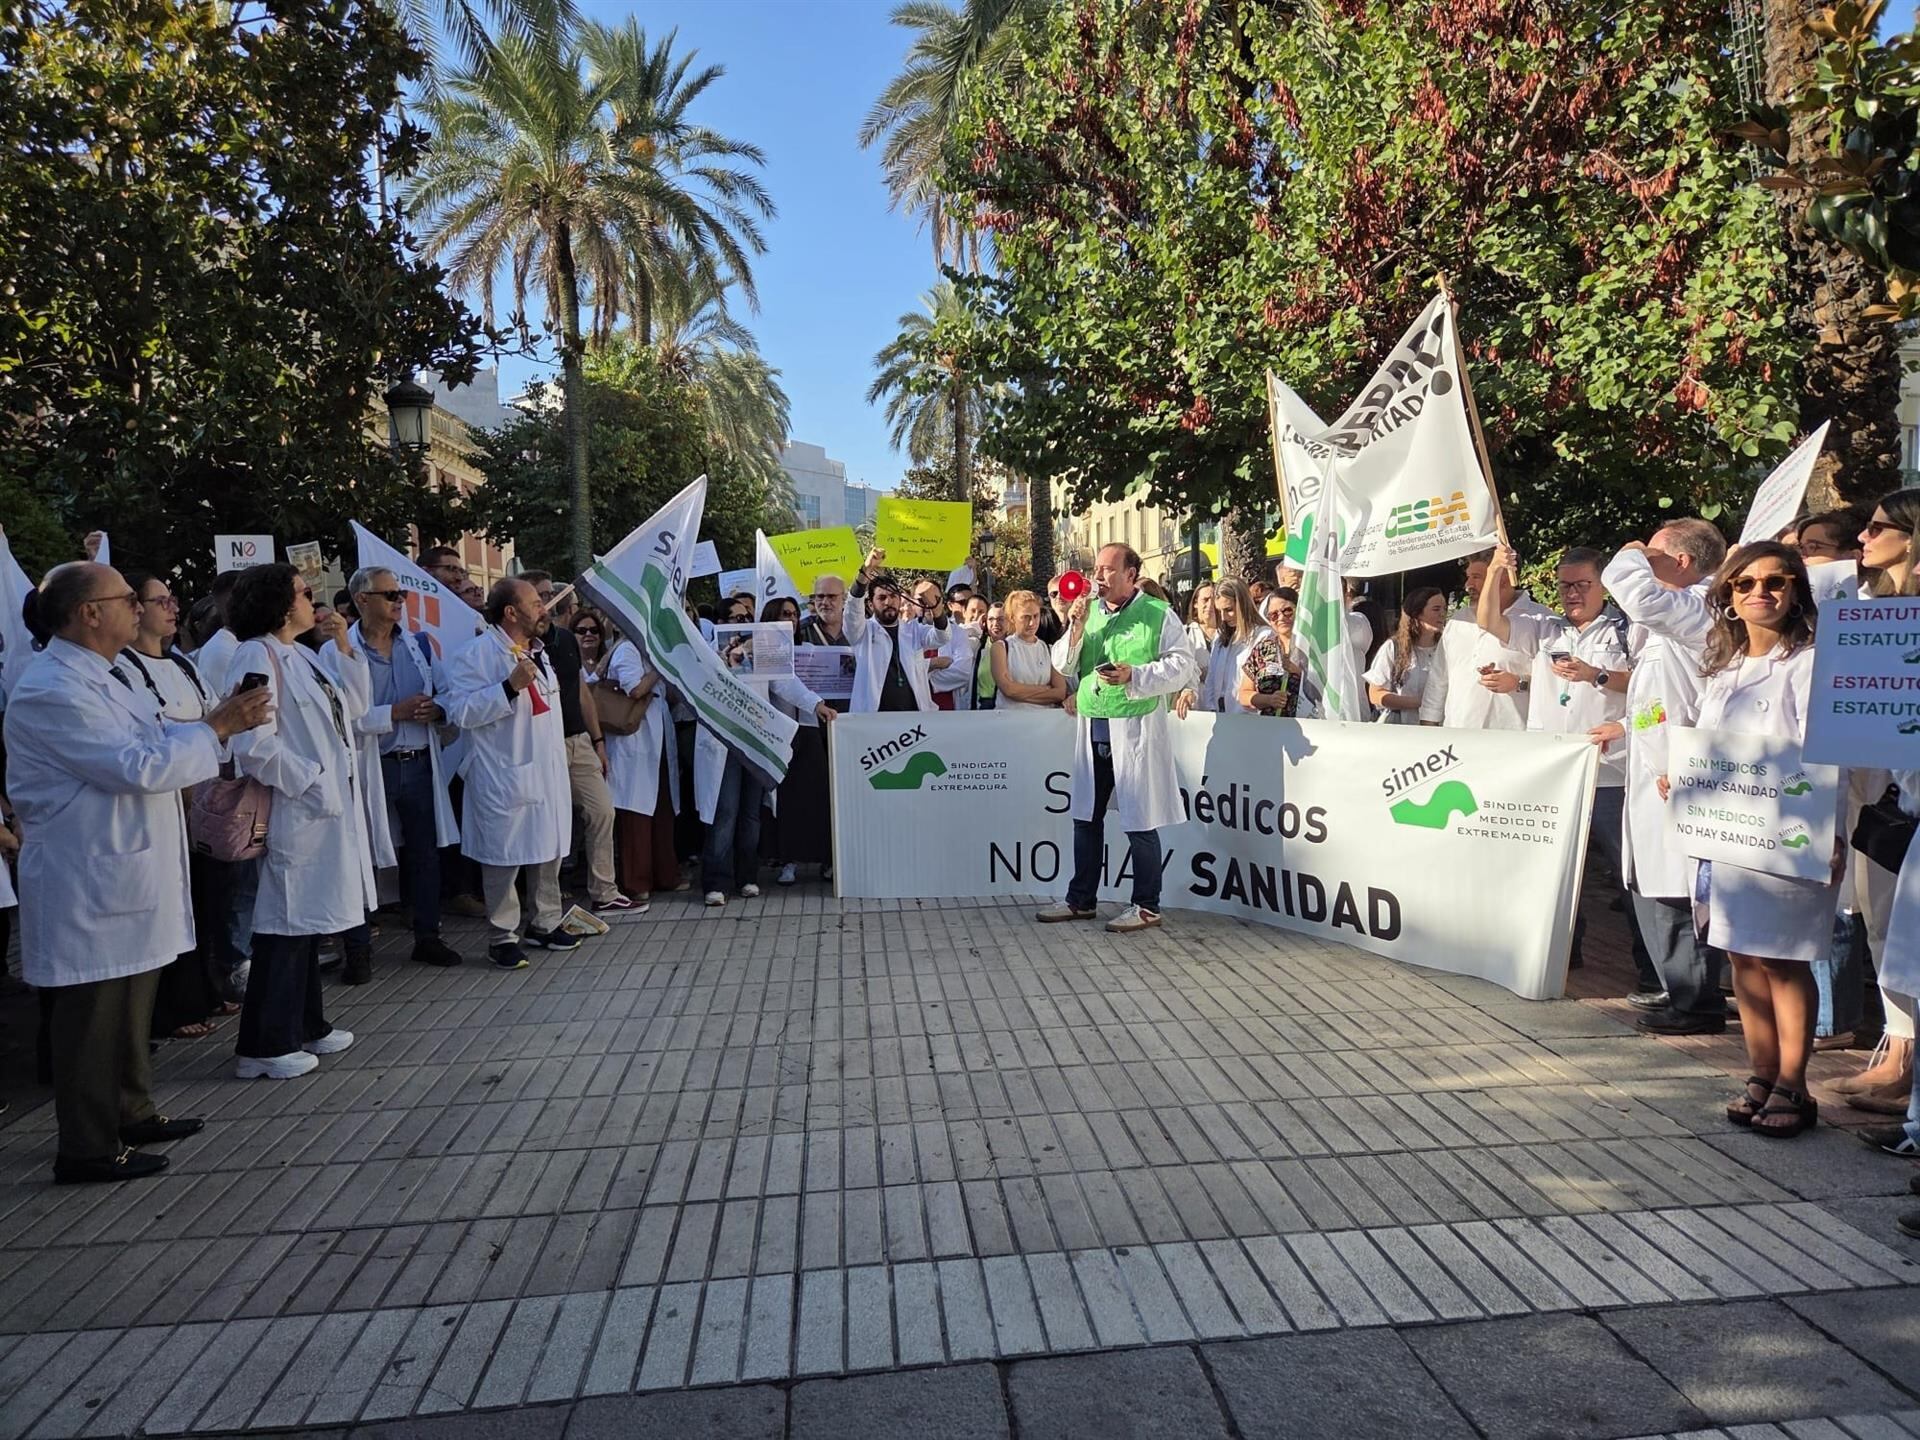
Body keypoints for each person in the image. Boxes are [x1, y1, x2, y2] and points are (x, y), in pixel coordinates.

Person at [8, 562, 270, 1180]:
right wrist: (216, 726)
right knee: (93, 1014)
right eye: (125, 598)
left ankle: (132, 1109)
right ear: (88, 613)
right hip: (87, 874)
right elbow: (135, 765)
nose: (138, 606)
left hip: (130, 866)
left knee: (131, 1002)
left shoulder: (111, 674)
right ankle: (86, 1146)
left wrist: (212, 724)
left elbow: (158, 738)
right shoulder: (52, 688)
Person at [1679, 542, 1839, 1137]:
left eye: (1775, 582)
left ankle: (1795, 1086)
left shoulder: (1813, 662)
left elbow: (1829, 756)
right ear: (1727, 596)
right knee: (1742, 953)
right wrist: (1687, 774)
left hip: (1791, 831)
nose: (1759, 594)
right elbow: (1713, 746)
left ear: (1796, 591)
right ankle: (1762, 1072)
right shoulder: (1723, 667)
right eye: (1744, 584)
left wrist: (1834, 832)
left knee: (1783, 958)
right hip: (1727, 831)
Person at [228, 564, 373, 1079]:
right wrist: (312, 780)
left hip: (323, 812)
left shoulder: (305, 655)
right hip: (297, 809)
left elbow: (354, 708)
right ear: (279, 602)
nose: (315, 599)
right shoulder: (256, 654)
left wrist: (346, 649)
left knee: (309, 921)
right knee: (284, 924)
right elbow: (252, 742)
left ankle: (307, 1023)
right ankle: (263, 1044)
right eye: (304, 592)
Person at [1480, 543, 1645, 981]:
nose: (1572, 594)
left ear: (1603, 585)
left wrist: (1596, 675)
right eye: (1564, 586)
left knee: (1628, 873)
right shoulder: (1546, 629)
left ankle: (1652, 969)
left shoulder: (1628, 629)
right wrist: (1497, 569)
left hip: (1611, 771)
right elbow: (1487, 620)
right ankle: (1561, 953)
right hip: (1556, 772)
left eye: (1582, 585)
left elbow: (1650, 687)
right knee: (1552, 871)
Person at [1600, 519, 1731, 1036]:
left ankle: (1697, 1002)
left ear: (1681, 561)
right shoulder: (1670, 617)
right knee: (1653, 886)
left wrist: (1627, 551)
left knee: (1679, 889)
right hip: (1656, 768)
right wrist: (1628, 725)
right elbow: (1662, 697)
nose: (1641, 559)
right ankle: (1678, 989)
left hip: (1682, 771)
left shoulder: (1700, 605)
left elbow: (1637, 594)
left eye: (1652, 553)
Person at [1038, 543, 1198, 933]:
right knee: (1085, 817)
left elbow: (1183, 665)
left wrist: (1136, 675)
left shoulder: (1158, 614)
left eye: (1109, 570)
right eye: (1097, 569)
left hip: (1135, 728)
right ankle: (1081, 900)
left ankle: (1147, 905)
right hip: (1094, 724)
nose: (1099, 576)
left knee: (1138, 819)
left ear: (1131, 573)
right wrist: (1075, 625)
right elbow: (1061, 663)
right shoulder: (1088, 611)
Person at [443, 578, 577, 969]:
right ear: (511, 612)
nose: (544, 609)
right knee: (503, 857)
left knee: (549, 845)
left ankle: (545, 922)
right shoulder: (474, 655)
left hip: (546, 769)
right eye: (536, 603)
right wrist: (507, 687)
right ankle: (502, 936)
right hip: (504, 773)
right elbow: (461, 713)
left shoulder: (540, 653)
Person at [1837, 489, 1920, 1110]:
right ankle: (1894, 1052)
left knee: (1907, 935)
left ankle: (1907, 1068)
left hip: (1908, 797)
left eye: (1876, 528)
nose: (1862, 540)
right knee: (1881, 928)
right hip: (1871, 792)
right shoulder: (1864, 608)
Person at [341, 568, 465, 975]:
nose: (399, 601)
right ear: (361, 599)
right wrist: (393, 713)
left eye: (402, 594)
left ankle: (427, 936)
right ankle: (357, 947)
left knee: (425, 854)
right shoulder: (341, 652)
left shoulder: (419, 646)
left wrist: (438, 708)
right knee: (362, 856)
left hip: (417, 762)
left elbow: (446, 691)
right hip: (370, 766)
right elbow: (342, 717)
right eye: (390, 594)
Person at [119, 572, 227, 1037]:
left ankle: (205, 989)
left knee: (203, 901)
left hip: (201, 800)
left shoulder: (183, 663)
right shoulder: (122, 669)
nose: (171, 607)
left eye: (173, 599)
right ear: (136, 608)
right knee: (165, 906)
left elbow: (213, 711)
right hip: (162, 802)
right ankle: (172, 1008)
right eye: (159, 600)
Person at [694, 620, 835, 908]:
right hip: (724, 742)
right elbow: (698, 680)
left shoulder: (765, 650)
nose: (741, 622)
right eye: (734, 617)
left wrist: (816, 704)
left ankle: (747, 877)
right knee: (725, 812)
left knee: (750, 813)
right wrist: (719, 661)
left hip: (755, 742)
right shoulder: (708, 652)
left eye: (746, 616)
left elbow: (785, 682)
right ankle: (716, 882)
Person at [526, 571, 634, 915]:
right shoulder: (518, 646)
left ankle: (604, 891)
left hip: (578, 742)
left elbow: (583, 694)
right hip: (543, 745)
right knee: (550, 823)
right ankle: (544, 903)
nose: (547, 604)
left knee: (603, 810)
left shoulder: (566, 641)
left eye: (549, 597)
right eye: (539, 598)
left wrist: (597, 740)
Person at [601, 615, 681, 902]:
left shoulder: (645, 652)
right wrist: (660, 666)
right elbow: (634, 688)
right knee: (635, 816)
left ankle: (665, 875)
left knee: (661, 810)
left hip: (656, 743)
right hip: (633, 745)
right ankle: (636, 882)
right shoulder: (626, 650)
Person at [1418, 550, 1538, 730]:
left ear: (1503, 577)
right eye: (1468, 577)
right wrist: (1428, 724)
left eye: (1476, 577)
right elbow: (1439, 678)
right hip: (1457, 738)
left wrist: (1519, 682)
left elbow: (1555, 686)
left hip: (1513, 741)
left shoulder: (1540, 621)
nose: (1468, 585)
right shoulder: (1459, 620)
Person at [761, 595, 832, 884]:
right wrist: (815, 702)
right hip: (779, 731)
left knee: (817, 795)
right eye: (782, 614)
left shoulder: (808, 649)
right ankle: (787, 860)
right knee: (786, 799)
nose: (789, 620)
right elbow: (784, 684)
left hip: (808, 728)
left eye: (792, 614)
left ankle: (825, 859)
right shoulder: (762, 649)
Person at [843, 549, 950, 713]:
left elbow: (942, 637)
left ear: (900, 600)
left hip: (914, 720)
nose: (888, 601)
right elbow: (852, 611)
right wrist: (866, 570)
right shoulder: (862, 632)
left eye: (893, 596)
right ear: (870, 604)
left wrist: (936, 608)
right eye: (881, 597)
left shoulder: (913, 630)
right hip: (875, 721)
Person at [1175, 578, 1260, 718]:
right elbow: (1211, 682)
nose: (1223, 617)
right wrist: (1211, 711)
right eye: (1205, 600)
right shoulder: (1220, 637)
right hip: (1212, 718)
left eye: (1229, 610)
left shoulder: (1261, 636)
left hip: (1248, 718)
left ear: (1242, 604)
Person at [1364, 587, 1446, 724]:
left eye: (1444, 608)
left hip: (1439, 728)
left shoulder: (1446, 648)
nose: (1443, 614)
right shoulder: (1394, 647)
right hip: (1401, 728)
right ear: (1418, 613)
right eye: (1436, 609)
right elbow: (1375, 694)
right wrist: (1422, 702)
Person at [990, 590, 1070, 709]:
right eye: (1025, 617)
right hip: (1009, 721)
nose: (1032, 623)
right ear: (1012, 618)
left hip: (1043, 722)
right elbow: (1007, 689)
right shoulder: (1000, 648)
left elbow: (1059, 693)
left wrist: (1019, 693)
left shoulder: (1049, 650)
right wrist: (1045, 690)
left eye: (1036, 616)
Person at [1238, 589, 1297, 717]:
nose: (1281, 618)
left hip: (1310, 726)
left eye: (1287, 611)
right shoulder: (1263, 649)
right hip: (1270, 728)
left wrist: (1298, 672)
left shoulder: (1313, 648)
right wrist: (1269, 700)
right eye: (1274, 615)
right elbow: (1244, 694)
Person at [1183, 584, 1218, 691]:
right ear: (1195, 603)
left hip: (1226, 704)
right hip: (1195, 704)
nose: (1210, 604)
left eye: (1215, 599)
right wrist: (1197, 673)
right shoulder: (1184, 633)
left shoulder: (1231, 635)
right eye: (1205, 600)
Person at [974, 600, 1006, 709]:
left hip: (1006, 707)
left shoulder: (1014, 646)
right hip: (981, 706)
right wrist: (976, 626)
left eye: (1001, 619)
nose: (995, 623)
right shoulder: (978, 646)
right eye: (991, 619)